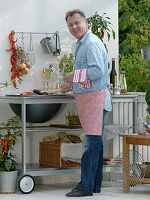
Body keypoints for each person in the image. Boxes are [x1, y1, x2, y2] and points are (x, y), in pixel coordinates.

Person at [63, 9, 112, 197]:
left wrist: (73, 76)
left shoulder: (90, 43)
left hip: (95, 100)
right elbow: (89, 75)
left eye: (77, 22)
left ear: (86, 22)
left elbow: (97, 71)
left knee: (91, 144)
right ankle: (94, 185)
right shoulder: (82, 44)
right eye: (70, 24)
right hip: (92, 98)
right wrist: (71, 85)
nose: (74, 27)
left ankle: (85, 187)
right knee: (96, 144)